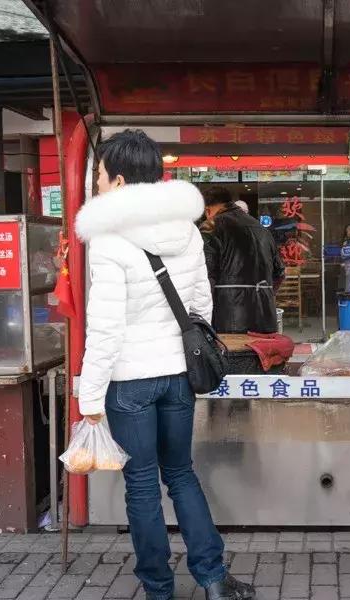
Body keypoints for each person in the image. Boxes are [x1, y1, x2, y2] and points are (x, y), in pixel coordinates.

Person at [74, 130, 253, 600]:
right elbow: (200, 309)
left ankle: (158, 588)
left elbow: (106, 329)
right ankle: (213, 577)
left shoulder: (109, 242)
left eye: (98, 174)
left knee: (141, 485)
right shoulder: (187, 231)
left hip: (128, 384)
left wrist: (89, 397)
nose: (95, 182)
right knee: (181, 473)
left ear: (116, 179)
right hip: (177, 375)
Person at [201, 185, 285, 333]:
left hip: (226, 321)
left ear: (208, 210)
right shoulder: (262, 230)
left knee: (230, 356)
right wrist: (264, 295)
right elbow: (279, 274)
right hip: (265, 320)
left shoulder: (211, 227)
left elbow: (204, 277)